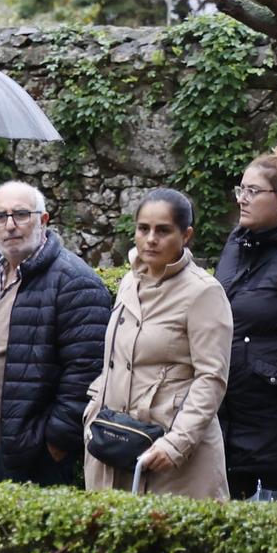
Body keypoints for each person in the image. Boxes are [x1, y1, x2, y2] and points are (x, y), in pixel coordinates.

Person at [0, 181, 111, 485]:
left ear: (43, 220)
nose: (10, 225)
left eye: (21, 214)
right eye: (0, 217)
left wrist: (53, 444)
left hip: (31, 458)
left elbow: (86, 375)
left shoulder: (75, 282)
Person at [83, 189, 232, 498]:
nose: (151, 238)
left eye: (163, 230)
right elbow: (114, 360)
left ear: (186, 234)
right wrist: (92, 412)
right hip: (115, 443)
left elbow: (212, 378)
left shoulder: (204, 292)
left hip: (173, 458)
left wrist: (178, 443)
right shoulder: (129, 281)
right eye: (143, 228)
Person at [216, 141, 277, 496]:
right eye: (240, 189)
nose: (241, 198)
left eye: (253, 191)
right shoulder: (238, 242)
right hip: (229, 413)